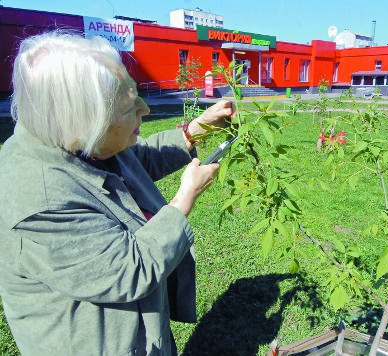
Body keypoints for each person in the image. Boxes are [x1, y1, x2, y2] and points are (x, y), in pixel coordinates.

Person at [0, 30, 234, 355]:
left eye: (137, 95)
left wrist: (195, 130)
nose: (145, 110)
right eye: (129, 109)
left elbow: (135, 160)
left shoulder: (76, 137)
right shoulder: (39, 200)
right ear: (84, 120)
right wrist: (183, 200)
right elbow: (129, 270)